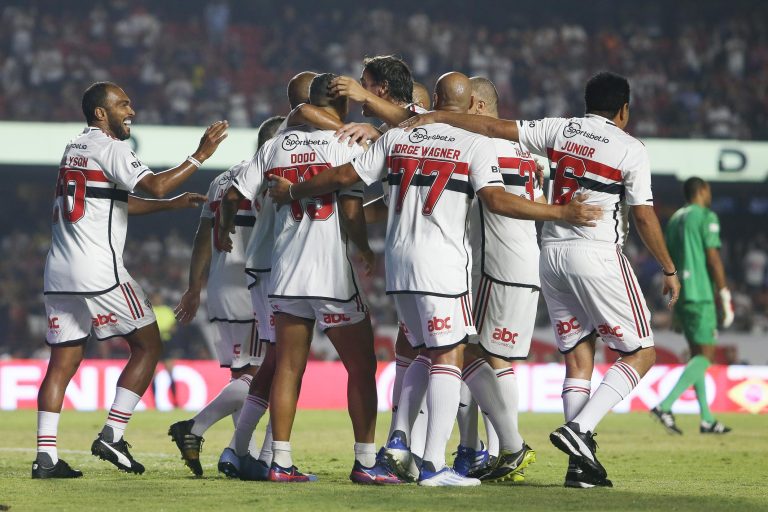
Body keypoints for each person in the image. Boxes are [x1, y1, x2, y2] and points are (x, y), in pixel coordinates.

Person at [269, 71, 602, 487]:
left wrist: (294, 192)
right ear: (468, 107)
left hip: (400, 266)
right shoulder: (474, 143)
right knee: (450, 356)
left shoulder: (398, 137)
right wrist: (561, 213)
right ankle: (433, 465)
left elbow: (342, 179)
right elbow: (496, 200)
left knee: (424, 352)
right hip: (442, 265)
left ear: (435, 101)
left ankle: (403, 444)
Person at [400, 71, 680, 488]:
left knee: (579, 357)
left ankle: (580, 468)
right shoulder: (630, 148)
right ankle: (580, 428)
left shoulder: (558, 128)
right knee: (641, 353)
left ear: (588, 103)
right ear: (624, 110)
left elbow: (493, 126)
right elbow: (642, 214)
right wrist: (668, 268)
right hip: (597, 252)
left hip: (551, 255)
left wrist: (437, 117)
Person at [34, 81, 228, 479]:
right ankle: (112, 434)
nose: (132, 111)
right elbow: (153, 183)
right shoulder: (112, 147)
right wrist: (199, 156)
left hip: (58, 272)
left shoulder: (75, 148)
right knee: (147, 344)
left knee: (62, 362)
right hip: (98, 271)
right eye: (123, 104)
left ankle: (45, 458)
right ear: (101, 113)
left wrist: (169, 205)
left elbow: (114, 203)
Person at [222, 73, 400, 484]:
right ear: (336, 105)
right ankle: (366, 462)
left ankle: (280, 462)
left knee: (287, 367)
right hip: (331, 275)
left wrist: (225, 228)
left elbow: (235, 194)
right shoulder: (346, 142)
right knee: (361, 366)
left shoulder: (273, 145)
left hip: (285, 275)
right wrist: (363, 248)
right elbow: (352, 206)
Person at [452, 76, 546, 481]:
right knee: (497, 358)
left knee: (471, 355)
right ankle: (498, 453)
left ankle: (509, 446)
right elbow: (538, 202)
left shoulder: (482, 145)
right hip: (526, 262)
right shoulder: (526, 151)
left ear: (474, 105)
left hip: (496, 264)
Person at [168, 151, 266, 476]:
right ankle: (195, 428)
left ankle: (242, 456)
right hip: (250, 285)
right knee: (261, 375)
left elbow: (201, 238)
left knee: (240, 376)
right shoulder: (265, 175)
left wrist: (194, 288)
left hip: (220, 287)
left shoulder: (219, 181)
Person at [651, 177, 734, 434]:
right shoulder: (706, 216)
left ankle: (706, 419)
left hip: (683, 295)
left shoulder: (675, 218)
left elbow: (670, 257)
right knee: (706, 355)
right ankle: (665, 405)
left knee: (698, 353)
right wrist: (725, 294)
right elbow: (713, 258)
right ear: (702, 191)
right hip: (701, 294)